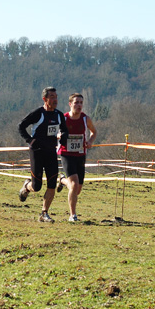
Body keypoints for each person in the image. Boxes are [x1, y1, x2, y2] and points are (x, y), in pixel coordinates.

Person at [18, 87, 68, 222]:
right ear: (45, 99)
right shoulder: (38, 113)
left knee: (52, 184)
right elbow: (21, 126)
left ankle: (44, 213)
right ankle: (26, 187)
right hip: (37, 153)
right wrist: (30, 140)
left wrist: (63, 137)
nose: (55, 99)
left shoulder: (59, 115)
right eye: (52, 97)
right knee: (37, 186)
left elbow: (64, 130)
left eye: (56, 96)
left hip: (51, 152)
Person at [56, 93, 97, 222]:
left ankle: (62, 180)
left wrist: (90, 142)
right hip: (66, 154)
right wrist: (58, 135)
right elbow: (55, 131)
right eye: (76, 102)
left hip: (80, 154)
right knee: (73, 184)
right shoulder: (64, 118)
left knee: (77, 190)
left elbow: (94, 132)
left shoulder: (85, 119)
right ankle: (72, 215)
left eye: (81, 103)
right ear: (70, 104)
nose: (79, 105)